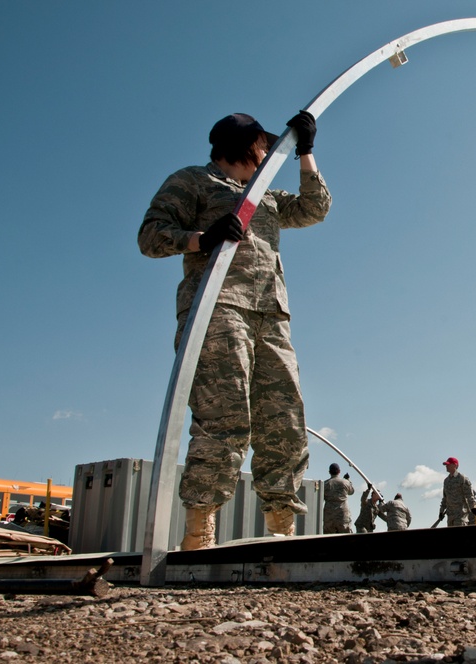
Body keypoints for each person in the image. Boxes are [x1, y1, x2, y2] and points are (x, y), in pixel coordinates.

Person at [138, 110, 331, 550]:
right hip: (217, 306)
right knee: (225, 416)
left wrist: (306, 152)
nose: (267, 153)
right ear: (244, 145)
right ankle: (199, 526)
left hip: (270, 313)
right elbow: (150, 236)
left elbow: (313, 209)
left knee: (284, 417)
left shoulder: (263, 194)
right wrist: (201, 238)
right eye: (263, 145)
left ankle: (281, 522)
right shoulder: (193, 181)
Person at [438, 457, 476, 527]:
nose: (446, 466)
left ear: (455, 465)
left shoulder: (462, 478)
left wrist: (473, 507)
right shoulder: (446, 481)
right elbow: (445, 498)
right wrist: (441, 511)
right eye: (446, 465)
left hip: (461, 515)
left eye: (448, 464)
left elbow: (469, 495)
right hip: (450, 516)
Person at [323, 463, 355, 534]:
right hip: (342, 515)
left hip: (329, 516)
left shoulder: (324, 484)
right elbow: (351, 491)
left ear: (329, 472)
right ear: (339, 471)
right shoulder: (345, 482)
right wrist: (348, 480)